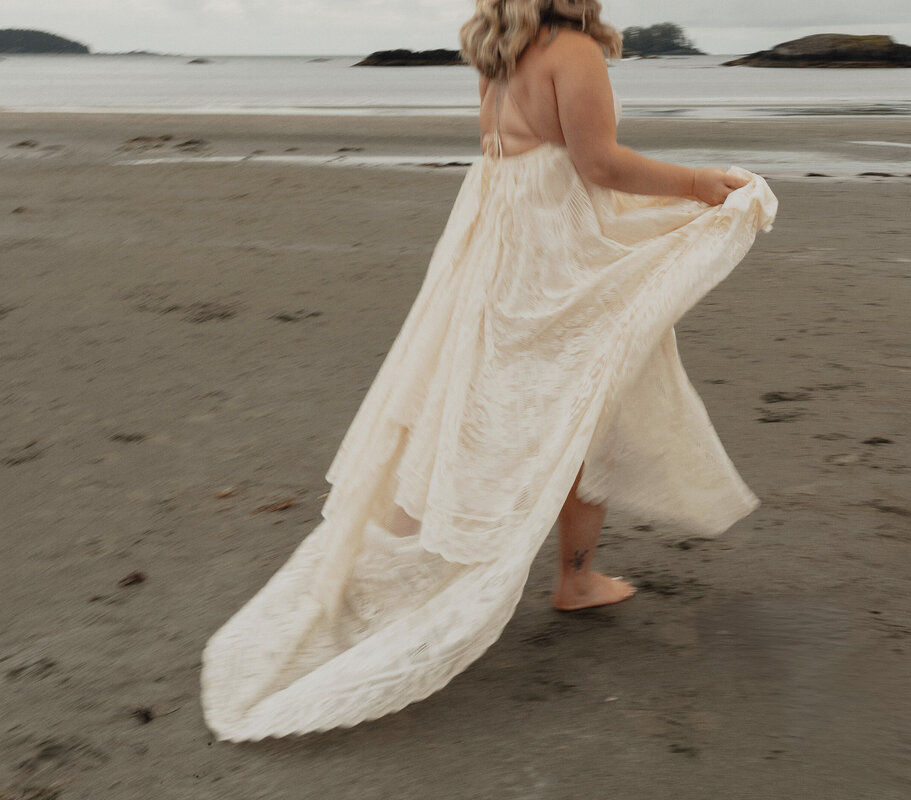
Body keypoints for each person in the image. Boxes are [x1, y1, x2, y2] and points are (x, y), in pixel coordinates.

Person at [200, 0, 777, 741]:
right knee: (586, 401)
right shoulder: (571, 51)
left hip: (501, 236)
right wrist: (702, 184)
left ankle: (564, 571)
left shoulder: (503, 48)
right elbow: (598, 163)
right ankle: (572, 577)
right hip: (551, 251)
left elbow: (518, 152)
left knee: (517, 405)